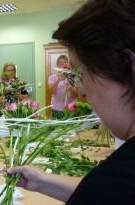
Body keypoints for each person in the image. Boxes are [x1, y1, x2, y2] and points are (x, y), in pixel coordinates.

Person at [8, 0, 135, 204]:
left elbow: (107, 190)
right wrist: (42, 182)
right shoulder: (115, 182)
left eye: (81, 73)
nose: (82, 90)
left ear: (127, 67)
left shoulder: (120, 178)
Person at [48, 55, 78, 119]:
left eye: (65, 62)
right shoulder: (52, 77)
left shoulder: (73, 76)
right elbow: (51, 92)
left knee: (72, 128)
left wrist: (69, 85)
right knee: (57, 128)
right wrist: (59, 79)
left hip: (71, 108)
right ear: (58, 65)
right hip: (56, 108)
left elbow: (76, 94)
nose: (64, 65)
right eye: (61, 63)